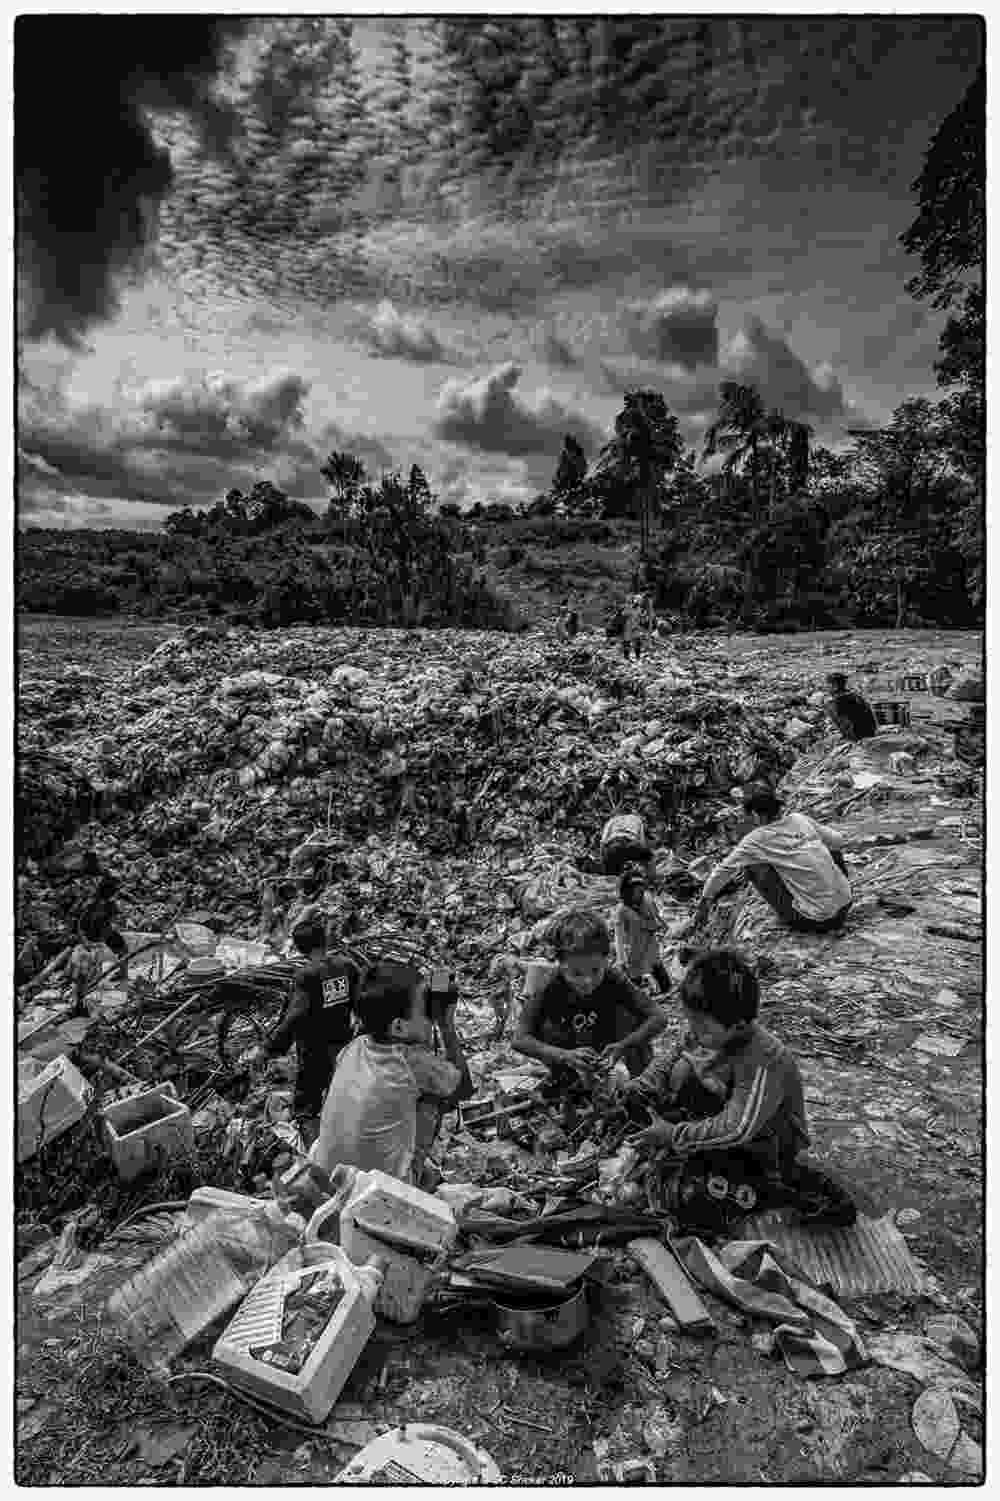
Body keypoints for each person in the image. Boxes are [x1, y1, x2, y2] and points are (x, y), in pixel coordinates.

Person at [623, 949, 855, 1230]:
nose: (692, 1031)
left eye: (702, 1026)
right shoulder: (704, 1033)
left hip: (766, 1147)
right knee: (681, 1071)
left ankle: (787, 1188)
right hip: (727, 1121)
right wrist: (640, 1086)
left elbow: (738, 1128)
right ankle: (702, 1150)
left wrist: (674, 1135)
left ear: (738, 1026)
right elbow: (670, 1058)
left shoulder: (764, 1058)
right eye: (690, 1021)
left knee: (693, 1200)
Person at [311, 959, 473, 1183]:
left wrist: (438, 982)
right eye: (424, 1010)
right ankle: (414, 1178)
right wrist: (446, 1026)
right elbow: (464, 1089)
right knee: (435, 1096)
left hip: (327, 1174)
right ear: (398, 1027)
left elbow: (398, 999)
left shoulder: (353, 1047)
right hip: (379, 1191)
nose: (430, 1015)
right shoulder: (412, 1062)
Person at [512, 909, 668, 1087]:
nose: (587, 981)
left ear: (606, 959)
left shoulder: (613, 978)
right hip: (569, 1055)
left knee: (635, 1019)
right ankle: (569, 1081)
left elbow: (659, 1017)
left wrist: (624, 1045)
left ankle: (639, 1084)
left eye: (595, 971)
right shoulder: (548, 984)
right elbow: (520, 1039)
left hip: (608, 1052)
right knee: (548, 1031)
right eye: (576, 973)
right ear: (560, 964)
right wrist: (564, 1056)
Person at [679, 782, 851, 936]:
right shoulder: (799, 819)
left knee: (752, 866)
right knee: (827, 846)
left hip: (816, 920)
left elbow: (722, 871)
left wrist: (704, 903)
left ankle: (797, 910)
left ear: (756, 815)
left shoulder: (755, 840)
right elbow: (838, 840)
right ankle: (832, 893)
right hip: (845, 906)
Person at [248, 916, 361, 1147]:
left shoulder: (306, 976)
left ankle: (314, 1154)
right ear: (324, 940)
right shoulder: (347, 965)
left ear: (300, 948)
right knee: (339, 1090)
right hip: (343, 1041)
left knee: (307, 1103)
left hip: (314, 1048)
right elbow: (361, 1000)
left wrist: (268, 1049)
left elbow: (295, 1017)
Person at [613, 866, 672, 994]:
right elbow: (619, 937)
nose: (639, 893)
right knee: (634, 984)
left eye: (641, 889)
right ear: (627, 891)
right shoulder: (622, 911)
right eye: (636, 890)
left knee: (663, 980)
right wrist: (621, 959)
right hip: (634, 950)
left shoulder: (647, 900)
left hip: (650, 946)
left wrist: (661, 926)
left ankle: (666, 993)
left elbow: (657, 918)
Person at [827, 672, 877, 742]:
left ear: (834, 685)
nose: (827, 687)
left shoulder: (836, 702)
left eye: (828, 684)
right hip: (870, 732)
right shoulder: (856, 697)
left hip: (856, 736)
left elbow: (845, 723)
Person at [601, 810, 652, 877]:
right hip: (630, 844)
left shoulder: (611, 820)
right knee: (649, 856)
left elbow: (603, 841)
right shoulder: (637, 819)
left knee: (612, 873)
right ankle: (649, 876)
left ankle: (613, 877)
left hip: (613, 846)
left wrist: (604, 860)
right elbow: (642, 840)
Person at [621, 595, 644, 661]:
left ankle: (638, 657)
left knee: (638, 642)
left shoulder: (639, 609)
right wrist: (629, 608)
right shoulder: (628, 607)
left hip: (635, 628)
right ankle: (626, 657)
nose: (638, 603)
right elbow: (623, 614)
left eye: (640, 602)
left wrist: (642, 618)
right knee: (627, 642)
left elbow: (640, 618)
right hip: (627, 628)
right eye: (638, 601)